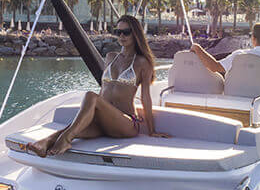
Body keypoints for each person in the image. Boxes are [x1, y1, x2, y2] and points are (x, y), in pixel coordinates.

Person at [26, 14, 170, 157]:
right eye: (118, 32)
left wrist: (152, 130)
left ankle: (65, 141)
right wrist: (91, 116)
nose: (121, 36)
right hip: (104, 123)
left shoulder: (142, 62)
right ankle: (44, 143)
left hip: (126, 123)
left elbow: (146, 97)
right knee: (74, 128)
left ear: (135, 34)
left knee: (90, 96)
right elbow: (104, 89)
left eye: (126, 32)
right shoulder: (111, 57)